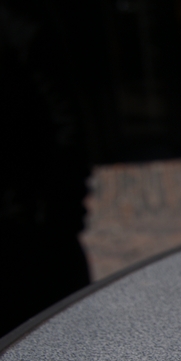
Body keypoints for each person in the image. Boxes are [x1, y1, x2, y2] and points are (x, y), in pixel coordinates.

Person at [0, 1, 93, 337]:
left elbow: (65, 124)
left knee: (65, 341)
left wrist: (61, 220)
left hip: (40, 242)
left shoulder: (19, 20)